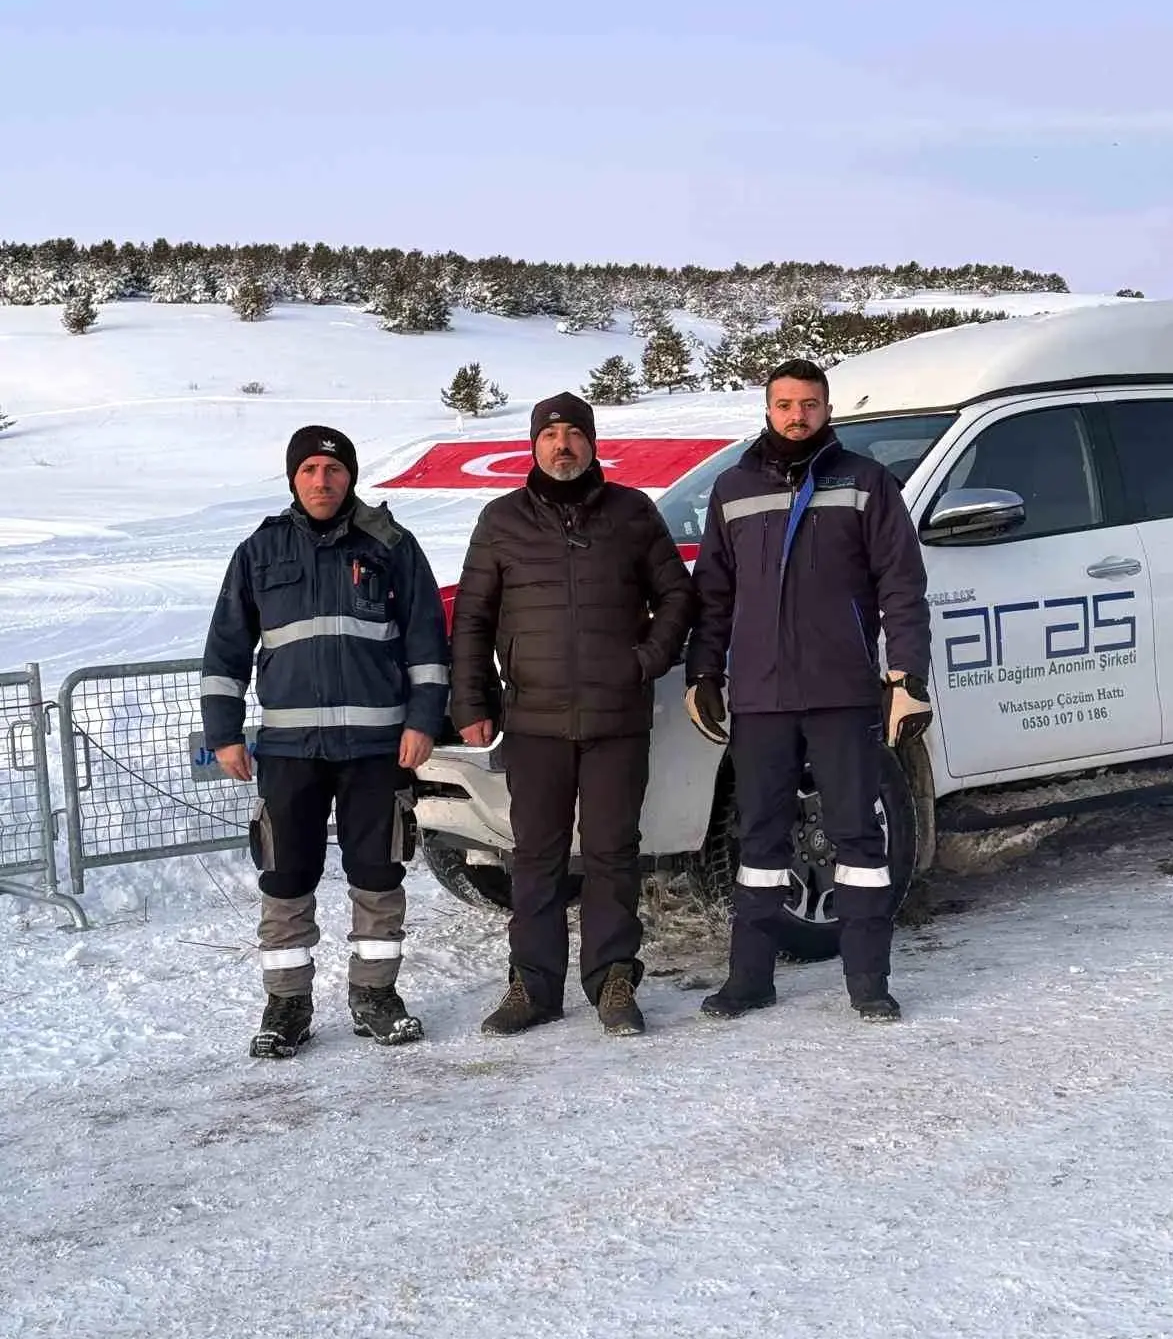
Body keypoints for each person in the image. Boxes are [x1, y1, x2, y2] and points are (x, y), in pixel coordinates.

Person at [684, 358, 931, 1022]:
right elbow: (713, 591)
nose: (798, 416)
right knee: (760, 839)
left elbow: (902, 585)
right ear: (768, 410)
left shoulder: (866, 482)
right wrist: (702, 671)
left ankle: (868, 981)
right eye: (786, 404)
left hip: (841, 691)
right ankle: (750, 978)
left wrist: (907, 677)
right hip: (760, 697)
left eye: (810, 404)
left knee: (857, 838)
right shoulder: (732, 488)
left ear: (828, 409)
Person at [201, 425, 450, 1058]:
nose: (322, 480)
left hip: (376, 750)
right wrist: (224, 734)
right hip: (288, 751)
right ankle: (287, 1004)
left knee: (377, 871)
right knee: (285, 875)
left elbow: (426, 642)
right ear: (293, 477)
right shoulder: (260, 551)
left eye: (333, 470)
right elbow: (226, 649)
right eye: (310, 469)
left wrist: (423, 720)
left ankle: (375, 993)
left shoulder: (391, 545)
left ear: (351, 477)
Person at [450, 392, 693, 1037]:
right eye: (550, 434)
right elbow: (473, 618)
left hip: (617, 718)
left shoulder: (632, 513)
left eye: (574, 434)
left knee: (614, 851)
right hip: (533, 720)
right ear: (533, 445)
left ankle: (613, 979)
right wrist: (470, 702)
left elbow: (677, 595)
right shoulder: (501, 520)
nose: (562, 445)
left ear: (592, 442)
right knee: (535, 856)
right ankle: (533, 986)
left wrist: (646, 660)